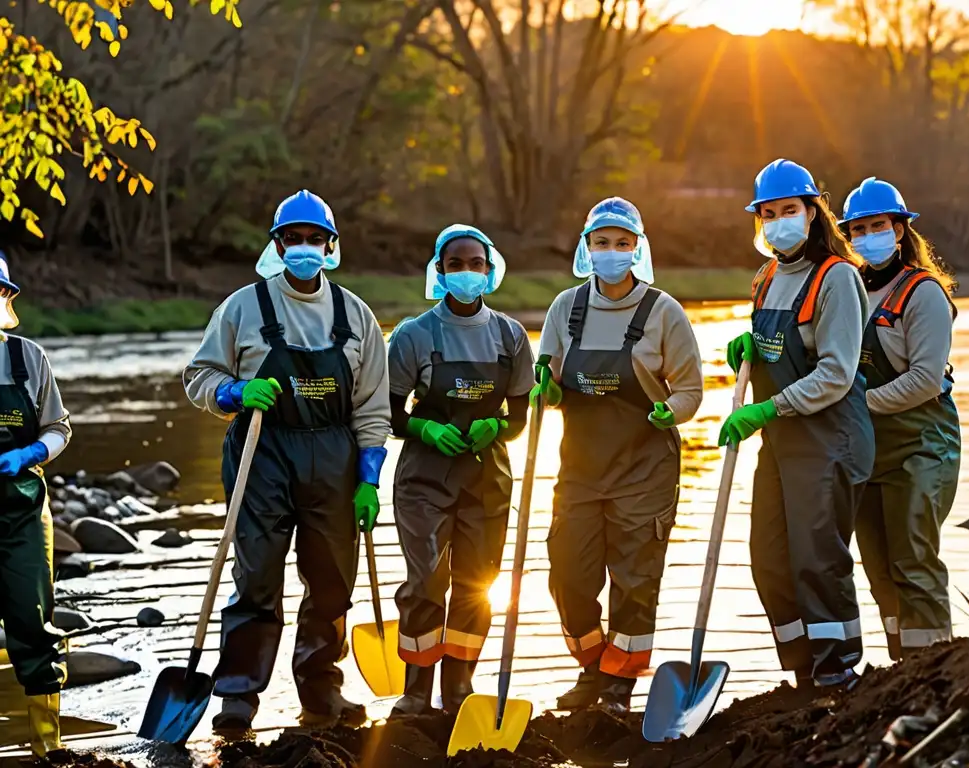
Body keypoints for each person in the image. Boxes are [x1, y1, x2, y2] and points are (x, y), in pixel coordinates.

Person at [183, 190, 390, 732]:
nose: (304, 248)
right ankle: (237, 697)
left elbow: (373, 406)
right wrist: (234, 394)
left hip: (335, 455)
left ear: (331, 246)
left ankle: (322, 692)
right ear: (277, 245)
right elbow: (198, 376)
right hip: (262, 450)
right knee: (256, 577)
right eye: (293, 239)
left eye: (314, 239)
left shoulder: (356, 314)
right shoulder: (242, 307)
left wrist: (370, 478)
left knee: (331, 580)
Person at [532, 198, 703, 714]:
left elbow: (691, 391)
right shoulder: (566, 308)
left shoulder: (663, 311)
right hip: (580, 470)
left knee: (635, 579)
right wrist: (546, 390)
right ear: (587, 249)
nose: (612, 252)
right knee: (567, 572)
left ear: (638, 249)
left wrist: (669, 412)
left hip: (644, 469)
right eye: (601, 243)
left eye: (622, 243)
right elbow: (549, 378)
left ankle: (617, 685)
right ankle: (591, 666)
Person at [721, 159, 874, 689]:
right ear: (758, 221)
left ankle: (838, 666)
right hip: (782, 446)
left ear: (812, 213)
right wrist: (749, 354)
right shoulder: (766, 277)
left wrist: (764, 409)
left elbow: (835, 372)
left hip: (830, 440)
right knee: (767, 557)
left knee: (816, 559)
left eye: (790, 210)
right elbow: (777, 349)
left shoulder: (838, 278)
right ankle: (801, 664)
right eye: (769, 213)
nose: (780, 220)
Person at [386, 224, 535, 715]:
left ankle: (458, 689)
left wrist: (496, 426)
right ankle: (415, 689)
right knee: (426, 579)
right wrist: (425, 429)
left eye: (476, 265)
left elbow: (519, 419)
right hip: (423, 479)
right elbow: (391, 415)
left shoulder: (511, 337)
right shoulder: (412, 336)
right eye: (456, 265)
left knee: (476, 582)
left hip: (486, 477)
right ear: (439, 271)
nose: (467, 273)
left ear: (490, 272)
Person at [839, 177, 960, 660]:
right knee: (879, 565)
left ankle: (934, 665)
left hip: (922, 444)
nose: (870, 235)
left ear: (900, 228)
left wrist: (854, 405)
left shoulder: (922, 293)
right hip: (869, 450)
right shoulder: (849, 289)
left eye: (879, 225)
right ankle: (900, 668)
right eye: (860, 229)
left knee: (913, 556)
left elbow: (926, 381)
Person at [0, 251, 71, 756]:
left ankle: (49, 746)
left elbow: (59, 428)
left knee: (33, 621)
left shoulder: (28, 359)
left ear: (6, 297)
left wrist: (31, 451)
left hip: (22, 511)